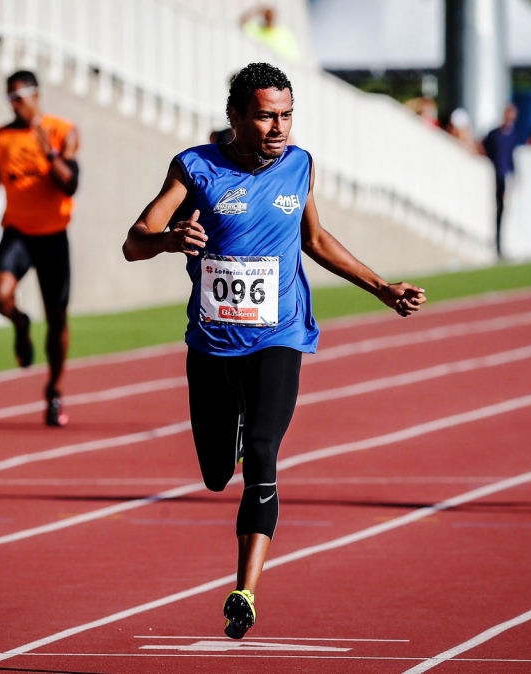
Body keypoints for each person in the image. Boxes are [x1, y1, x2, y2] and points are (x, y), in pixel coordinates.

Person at [122, 62, 425, 639]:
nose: (279, 127)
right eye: (265, 115)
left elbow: (313, 239)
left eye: (286, 114)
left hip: (279, 333)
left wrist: (382, 287)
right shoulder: (195, 168)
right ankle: (228, 436)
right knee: (216, 473)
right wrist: (167, 241)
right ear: (235, 117)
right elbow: (133, 243)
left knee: (263, 452)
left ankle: (244, 590)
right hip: (212, 343)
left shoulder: (300, 166)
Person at [0, 70, 80, 427]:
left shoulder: (63, 130)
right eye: (10, 98)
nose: (15, 103)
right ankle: (19, 323)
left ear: (36, 94)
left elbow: (71, 184)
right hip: (17, 232)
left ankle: (55, 391)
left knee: (58, 318)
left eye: (20, 95)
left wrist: (49, 152)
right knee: (0, 295)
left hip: (53, 235)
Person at [481, 103, 521, 257]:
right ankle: (496, 245)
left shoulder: (512, 135)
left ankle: (500, 246)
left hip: (504, 177)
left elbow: (511, 157)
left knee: (502, 211)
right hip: (495, 176)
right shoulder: (494, 134)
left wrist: (513, 175)